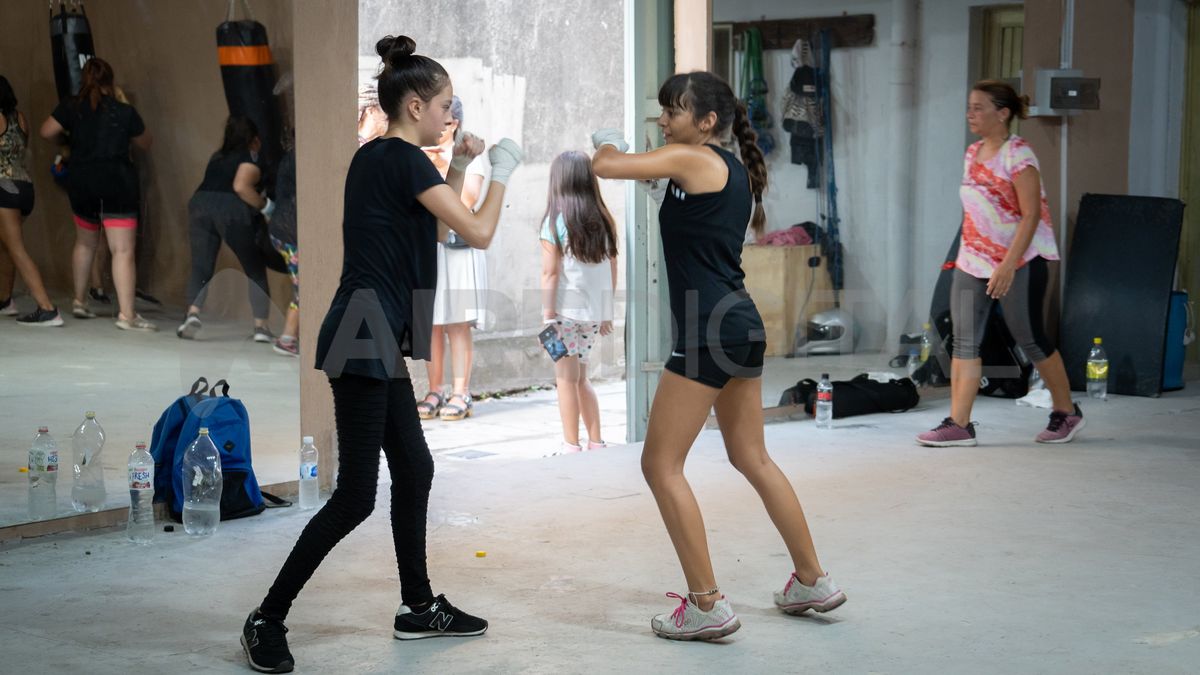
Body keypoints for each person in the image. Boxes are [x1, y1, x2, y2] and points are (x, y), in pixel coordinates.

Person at [240, 35, 523, 674]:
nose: (453, 115)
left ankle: (418, 607)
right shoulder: (403, 160)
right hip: (363, 331)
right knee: (355, 497)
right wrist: (500, 171)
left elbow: (437, 224)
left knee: (415, 470)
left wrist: (455, 167)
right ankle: (267, 617)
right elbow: (474, 231)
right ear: (416, 104)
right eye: (447, 104)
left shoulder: (382, 156)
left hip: (368, 329)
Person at [591, 71, 845, 641]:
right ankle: (812, 580)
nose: (664, 121)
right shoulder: (718, 169)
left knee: (660, 465)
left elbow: (608, 166)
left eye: (673, 112)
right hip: (738, 325)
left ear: (706, 122)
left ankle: (706, 604)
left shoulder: (693, 159)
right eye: (662, 111)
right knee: (751, 457)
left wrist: (605, 139)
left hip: (709, 329)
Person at [917, 81, 1083, 447]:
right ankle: (959, 424)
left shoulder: (1019, 155)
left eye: (979, 107)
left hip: (1019, 261)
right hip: (972, 262)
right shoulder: (972, 152)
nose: (970, 114)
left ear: (1002, 113)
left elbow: (1030, 215)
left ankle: (1066, 411)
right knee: (964, 342)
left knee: (1030, 337)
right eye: (969, 107)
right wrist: (966, 258)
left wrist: (1008, 265)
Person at [39, 57, 156, 331]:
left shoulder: (71, 106)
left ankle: (79, 301)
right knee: (122, 250)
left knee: (85, 243)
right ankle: (127, 315)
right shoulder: (124, 111)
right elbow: (146, 142)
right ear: (110, 82)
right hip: (117, 181)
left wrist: (67, 141)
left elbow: (46, 131)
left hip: (82, 180)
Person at [415, 96, 489, 422]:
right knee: (431, 322)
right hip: (429, 247)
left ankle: (461, 391)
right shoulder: (419, 154)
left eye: (445, 120)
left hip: (459, 250)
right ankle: (435, 389)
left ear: (455, 123)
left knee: (458, 324)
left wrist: (446, 167)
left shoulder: (470, 157)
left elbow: (467, 198)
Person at [539, 151, 617, 453]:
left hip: (563, 316)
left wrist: (548, 317)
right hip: (593, 315)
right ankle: (596, 442)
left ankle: (571, 445)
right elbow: (612, 268)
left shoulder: (554, 221)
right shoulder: (603, 220)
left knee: (565, 380)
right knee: (582, 378)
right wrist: (607, 312)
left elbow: (550, 273)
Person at [177, 115, 275, 342]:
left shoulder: (217, 157)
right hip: (230, 210)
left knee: (201, 266)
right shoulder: (250, 157)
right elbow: (241, 187)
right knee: (254, 268)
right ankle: (261, 327)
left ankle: (192, 314)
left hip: (199, 206)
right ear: (254, 139)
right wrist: (266, 207)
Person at [0, 75, 61, 326]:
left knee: (16, 248)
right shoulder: (20, 117)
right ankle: (4, 301)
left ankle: (47, 308)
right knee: (5, 245)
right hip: (24, 187)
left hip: (3, 187)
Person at [268, 135, 299, 356]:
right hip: (290, 231)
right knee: (303, 289)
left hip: (281, 228)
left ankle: (290, 337)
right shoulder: (301, 159)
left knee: (302, 286)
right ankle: (286, 339)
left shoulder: (290, 157)